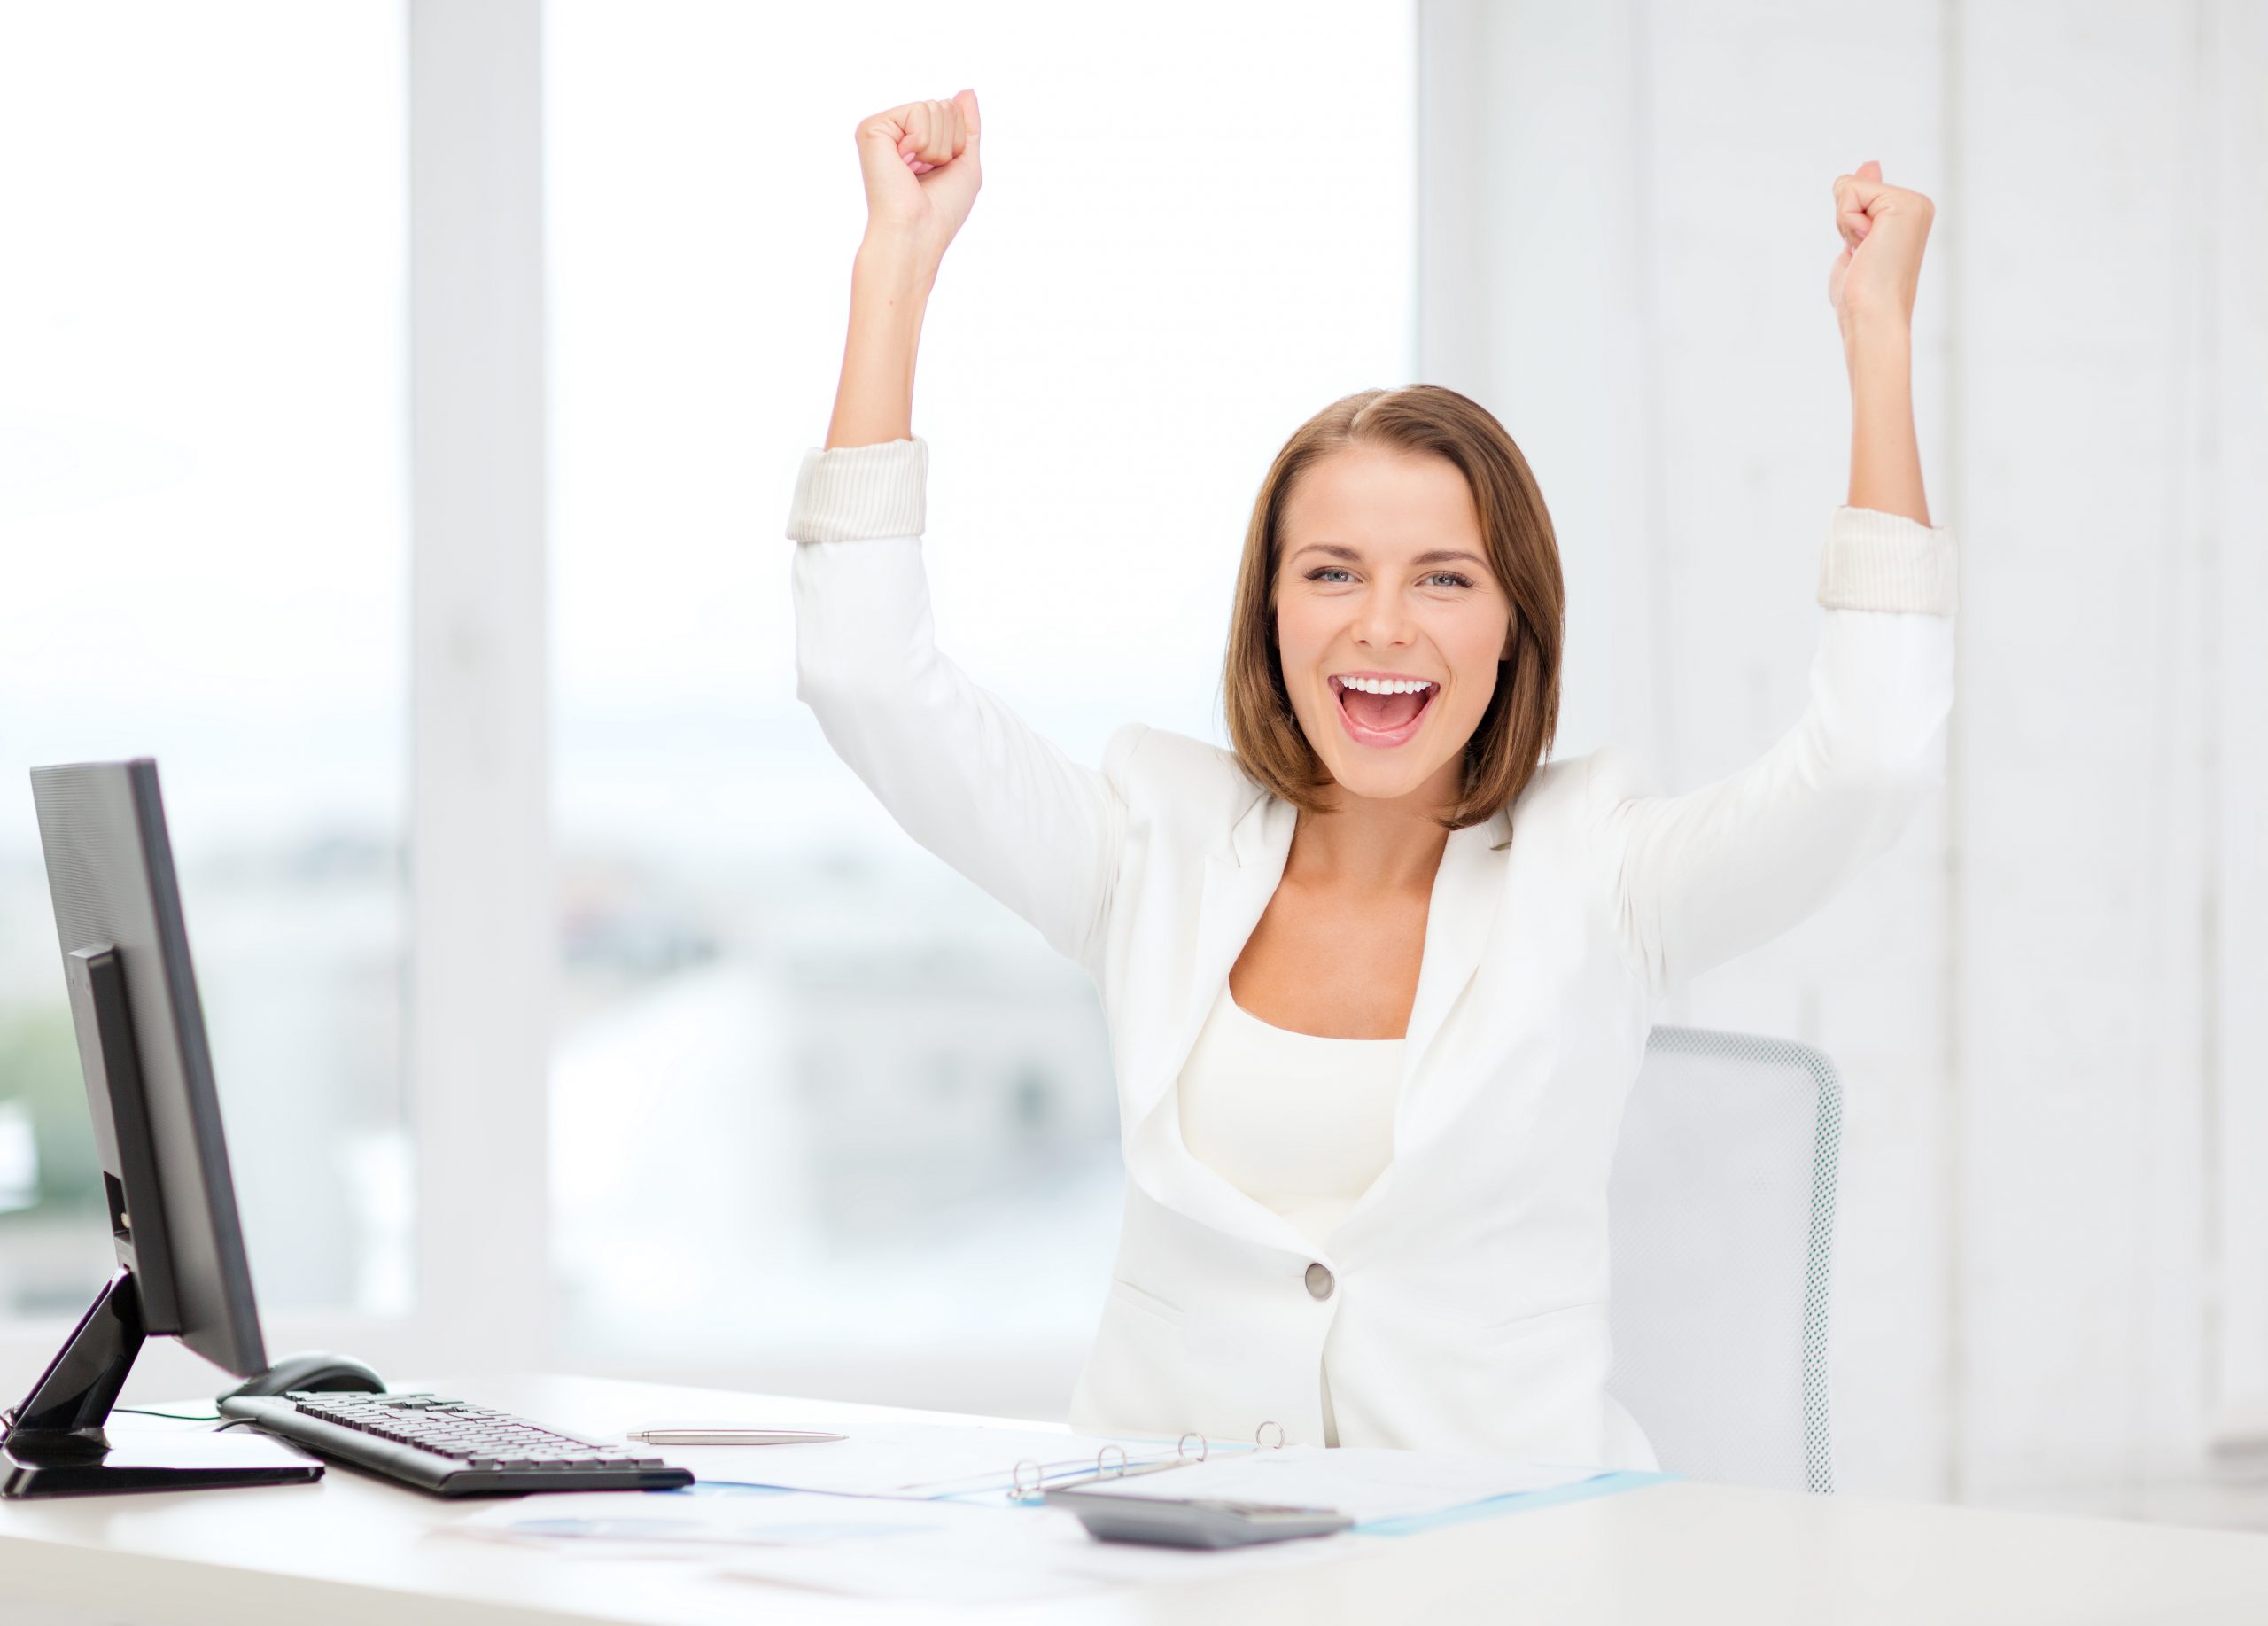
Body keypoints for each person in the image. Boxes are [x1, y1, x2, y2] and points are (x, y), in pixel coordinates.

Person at [785, 89, 1953, 1467]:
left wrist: (1878, 334)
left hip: (1504, 1552)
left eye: (1444, 580)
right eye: (1332, 573)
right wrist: (897, 263)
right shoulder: (1149, 848)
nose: (1382, 627)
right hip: (1174, 1543)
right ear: (1271, 611)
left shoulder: (1606, 875)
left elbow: (1870, 757)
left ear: (1512, 626)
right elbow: (868, 678)